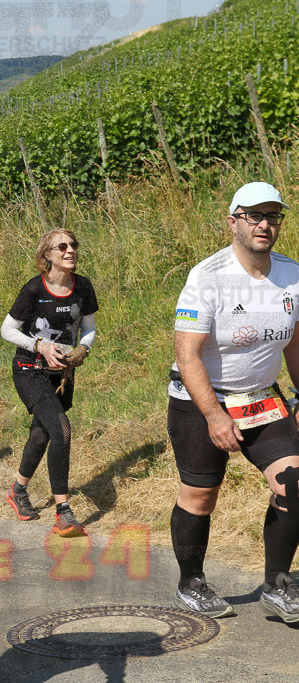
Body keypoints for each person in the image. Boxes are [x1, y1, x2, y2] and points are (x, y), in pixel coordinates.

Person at [167, 181, 299, 623]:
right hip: (201, 398)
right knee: (201, 494)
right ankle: (191, 583)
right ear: (233, 222)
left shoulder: (292, 274)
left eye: (273, 217)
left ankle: (277, 585)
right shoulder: (208, 277)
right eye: (254, 216)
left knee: (294, 483)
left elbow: (294, 343)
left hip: (261, 397)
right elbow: (187, 352)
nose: (265, 225)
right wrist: (213, 415)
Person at [0, 229, 98, 536]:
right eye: (63, 246)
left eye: (74, 245)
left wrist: (84, 349)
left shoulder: (83, 286)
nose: (71, 250)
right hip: (30, 371)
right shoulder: (33, 289)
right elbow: (7, 330)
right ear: (47, 256)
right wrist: (39, 345)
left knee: (42, 435)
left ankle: (17, 490)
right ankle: (63, 511)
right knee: (62, 430)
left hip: (62, 375)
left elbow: (90, 329)